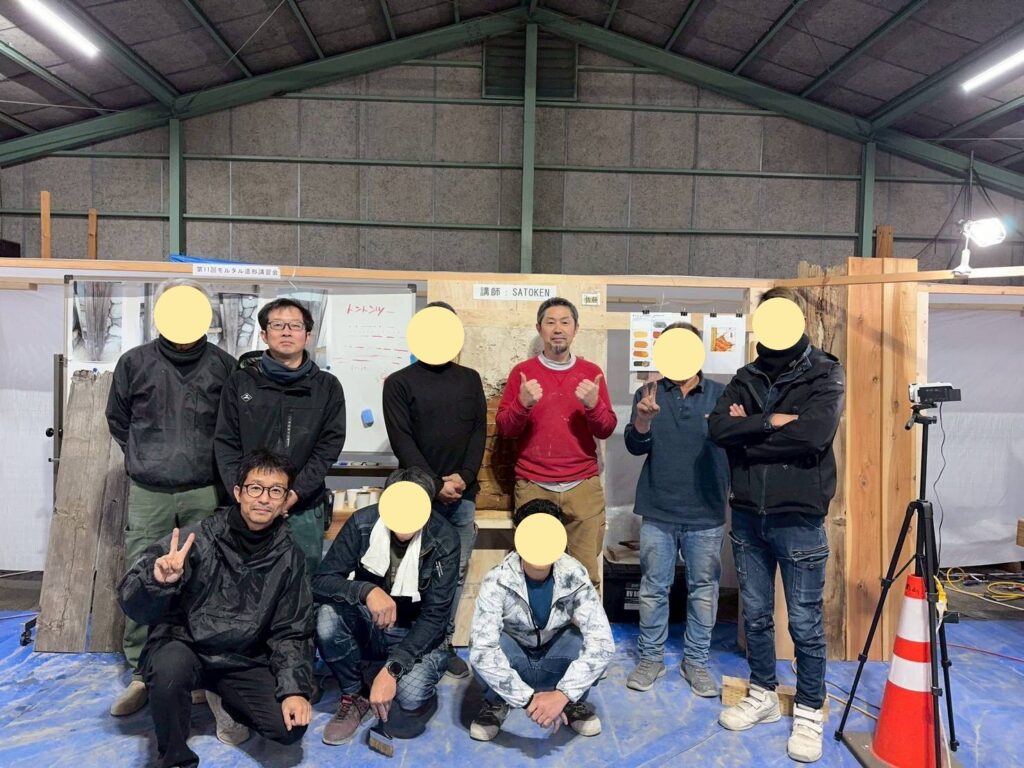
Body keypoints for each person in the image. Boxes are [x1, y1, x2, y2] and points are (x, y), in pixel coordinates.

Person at [708, 287, 845, 764]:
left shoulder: (824, 372)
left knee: (805, 621)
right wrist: (771, 422)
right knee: (756, 614)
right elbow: (718, 429)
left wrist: (748, 430)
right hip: (748, 513)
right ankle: (763, 692)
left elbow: (813, 436)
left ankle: (808, 709)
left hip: (799, 515)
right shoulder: (746, 375)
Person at [117, 449, 314, 768]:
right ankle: (175, 759)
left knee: (289, 728)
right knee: (168, 672)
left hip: (242, 658)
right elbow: (132, 601)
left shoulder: (291, 558)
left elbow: (292, 630)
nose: (264, 498)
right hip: (186, 645)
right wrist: (157, 580)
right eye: (255, 488)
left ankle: (222, 698)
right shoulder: (197, 538)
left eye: (275, 490)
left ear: (285, 500)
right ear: (238, 492)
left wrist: (293, 689)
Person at [105, 279, 236, 717]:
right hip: (149, 491)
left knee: (203, 576)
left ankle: (193, 669)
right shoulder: (134, 363)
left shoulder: (224, 366)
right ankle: (141, 672)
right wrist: (145, 457)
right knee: (143, 573)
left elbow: (231, 427)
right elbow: (118, 420)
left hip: (204, 489)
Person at [313, 466, 460, 746]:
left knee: (411, 698)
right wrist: (366, 590)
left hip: (414, 631)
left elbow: (435, 616)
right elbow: (321, 581)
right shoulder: (362, 523)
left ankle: (390, 677)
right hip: (373, 622)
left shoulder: (444, 537)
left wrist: (394, 668)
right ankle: (354, 694)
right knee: (327, 617)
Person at [623, 322, 730, 696]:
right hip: (658, 508)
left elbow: (738, 443)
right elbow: (635, 446)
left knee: (704, 590)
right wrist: (643, 419)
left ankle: (696, 661)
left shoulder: (721, 394)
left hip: (706, 510)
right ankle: (650, 658)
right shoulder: (648, 393)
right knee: (654, 588)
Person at [382, 300, 487, 679]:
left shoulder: (470, 379)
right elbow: (402, 440)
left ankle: (443, 643)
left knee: (453, 574)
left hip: (462, 496)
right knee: (409, 571)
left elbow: (478, 432)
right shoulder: (399, 383)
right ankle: (409, 644)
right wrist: (436, 483)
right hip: (415, 495)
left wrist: (465, 476)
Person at [215, 297, 346, 577]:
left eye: (295, 326)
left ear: (307, 336)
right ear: (264, 334)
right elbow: (226, 443)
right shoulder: (241, 382)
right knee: (241, 583)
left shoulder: (327, 387)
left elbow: (329, 446)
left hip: (303, 508)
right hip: (249, 507)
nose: (287, 332)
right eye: (278, 325)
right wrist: (244, 494)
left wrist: (293, 494)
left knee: (301, 584)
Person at [469, 499, 614, 742]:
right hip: (516, 659)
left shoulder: (574, 574)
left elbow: (603, 643)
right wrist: (528, 701)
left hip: (554, 657)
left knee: (579, 640)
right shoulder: (497, 579)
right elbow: (482, 650)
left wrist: (563, 695)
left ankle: (572, 703)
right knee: (484, 645)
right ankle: (496, 702)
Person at [496, 297, 616, 588]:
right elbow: (505, 429)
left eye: (565, 322)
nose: (558, 329)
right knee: (532, 572)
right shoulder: (522, 373)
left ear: (576, 329)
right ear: (539, 328)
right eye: (550, 322)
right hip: (533, 485)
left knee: (584, 577)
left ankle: (580, 620)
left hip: (583, 486)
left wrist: (593, 405)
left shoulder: (591, 373)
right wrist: (522, 404)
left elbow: (606, 429)